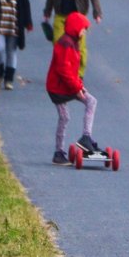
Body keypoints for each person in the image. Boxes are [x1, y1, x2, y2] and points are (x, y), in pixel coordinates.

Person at [46, 12, 100, 165]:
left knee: (89, 102)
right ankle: (61, 151)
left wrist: (80, 86)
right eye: (83, 29)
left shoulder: (72, 42)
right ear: (76, 28)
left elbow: (73, 70)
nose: (84, 32)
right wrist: (77, 88)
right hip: (58, 88)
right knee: (68, 115)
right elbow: (64, 70)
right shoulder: (65, 44)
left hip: (67, 86)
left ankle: (83, 139)